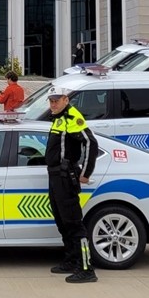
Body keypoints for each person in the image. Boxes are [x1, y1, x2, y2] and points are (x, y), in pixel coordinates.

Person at [45, 85, 100, 284]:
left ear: (66, 100)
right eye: (51, 101)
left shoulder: (72, 118)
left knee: (74, 224)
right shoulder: (58, 117)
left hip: (65, 176)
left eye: (56, 100)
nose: (53, 104)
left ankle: (86, 268)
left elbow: (90, 143)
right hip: (55, 176)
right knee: (62, 221)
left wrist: (85, 173)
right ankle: (71, 260)